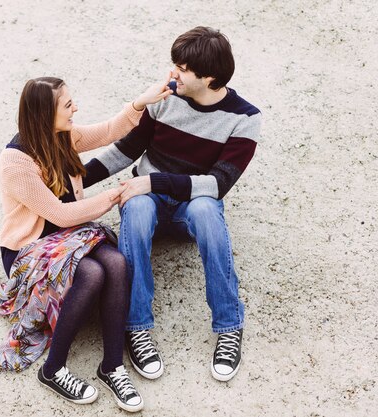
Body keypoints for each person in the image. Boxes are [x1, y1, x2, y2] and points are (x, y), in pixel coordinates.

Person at [0, 75, 171, 412]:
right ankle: (53, 369)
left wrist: (142, 101)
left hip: (71, 236)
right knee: (92, 273)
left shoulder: (61, 136)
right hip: (31, 248)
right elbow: (60, 215)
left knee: (117, 263)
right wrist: (113, 196)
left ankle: (112, 365)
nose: (75, 107)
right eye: (67, 104)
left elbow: (109, 130)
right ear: (43, 114)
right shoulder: (15, 163)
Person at [84, 26, 261, 382]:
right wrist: (72, 181)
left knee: (206, 209)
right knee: (136, 207)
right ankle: (136, 327)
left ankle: (229, 326)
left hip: (189, 210)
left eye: (181, 68)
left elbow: (218, 184)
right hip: (146, 202)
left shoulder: (245, 118)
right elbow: (128, 150)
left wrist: (153, 180)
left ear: (209, 78)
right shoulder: (166, 97)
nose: (172, 73)